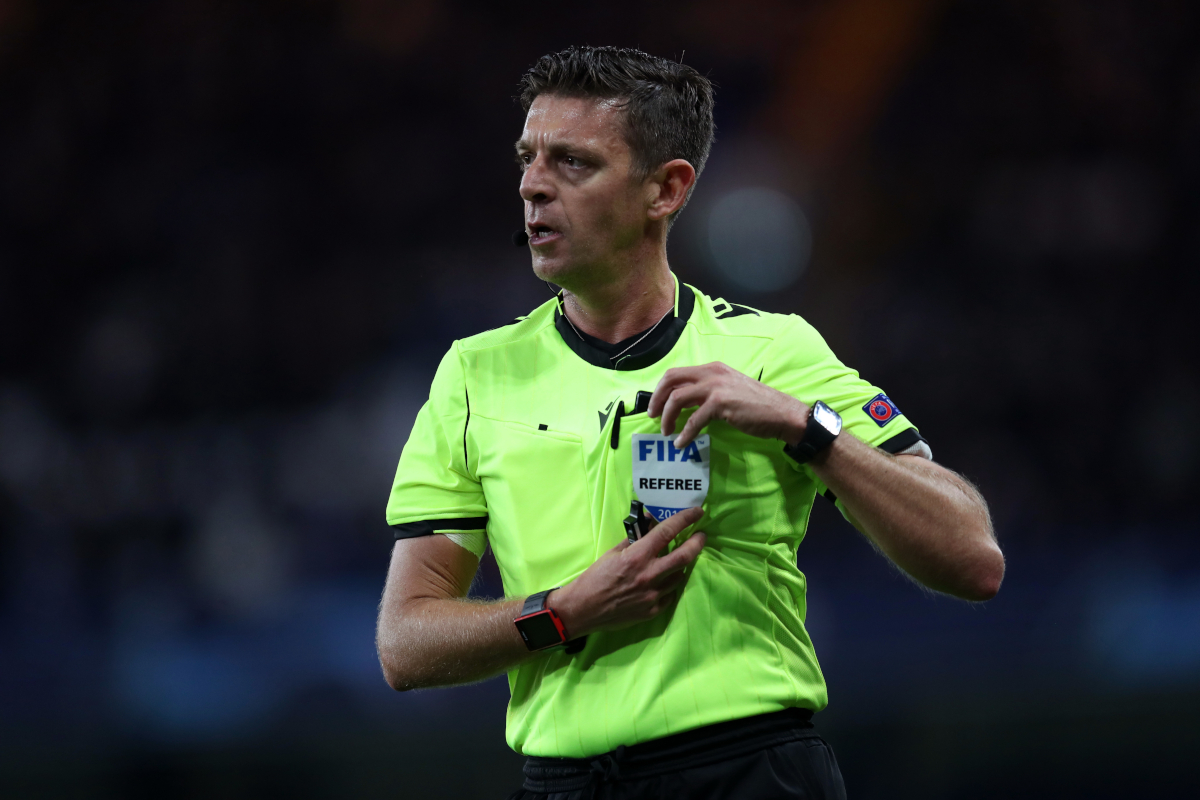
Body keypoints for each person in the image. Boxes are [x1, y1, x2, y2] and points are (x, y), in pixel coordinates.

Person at [376, 46, 1004, 800]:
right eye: (527, 158)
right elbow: (404, 644)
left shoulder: (770, 352)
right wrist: (563, 613)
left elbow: (973, 558)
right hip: (564, 785)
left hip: (750, 775)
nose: (532, 185)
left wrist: (806, 426)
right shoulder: (474, 376)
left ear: (666, 189)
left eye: (572, 163)